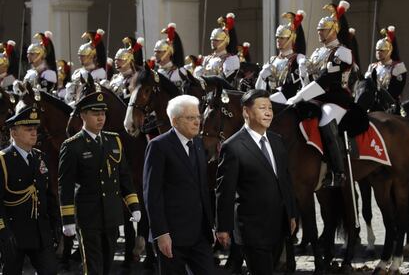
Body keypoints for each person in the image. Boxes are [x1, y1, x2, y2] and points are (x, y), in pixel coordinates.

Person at [58, 92, 141, 275]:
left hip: (111, 213)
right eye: (95, 114)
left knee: (107, 264)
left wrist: (133, 205)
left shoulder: (114, 140)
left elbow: (124, 176)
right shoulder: (72, 146)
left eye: (103, 113)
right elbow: (66, 185)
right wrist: (68, 220)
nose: (100, 118)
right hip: (88, 217)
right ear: (83, 115)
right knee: (93, 266)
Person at [215, 89, 296, 275]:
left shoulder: (277, 141)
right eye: (262, 108)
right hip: (251, 229)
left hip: (278, 227)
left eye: (270, 108)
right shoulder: (232, 147)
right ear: (246, 112)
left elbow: (285, 180)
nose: (268, 112)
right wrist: (223, 227)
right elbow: (224, 190)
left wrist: (291, 213)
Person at [143, 95, 215, 275]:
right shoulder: (158, 146)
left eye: (198, 117)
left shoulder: (198, 143)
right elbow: (152, 194)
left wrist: (209, 225)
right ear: (174, 121)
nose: (197, 122)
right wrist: (161, 234)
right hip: (171, 237)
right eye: (190, 118)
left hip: (200, 234)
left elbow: (202, 188)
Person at [286, 0, 353, 187]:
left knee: (325, 121)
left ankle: (338, 171)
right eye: (318, 29)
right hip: (316, 98)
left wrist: (299, 96)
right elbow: (311, 81)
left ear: (334, 29)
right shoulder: (317, 53)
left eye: (323, 29)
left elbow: (324, 81)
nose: (319, 32)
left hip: (337, 99)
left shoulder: (343, 52)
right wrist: (302, 75)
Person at [0, 106, 59, 274]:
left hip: (40, 232)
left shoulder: (40, 157)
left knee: (50, 271)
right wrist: (3, 231)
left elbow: (48, 195)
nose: (34, 133)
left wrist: (55, 222)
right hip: (14, 232)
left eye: (35, 129)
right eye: (28, 129)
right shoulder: (3, 160)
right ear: (14, 133)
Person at [256, 10, 307, 100]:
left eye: (282, 38)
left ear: (291, 39)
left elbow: (291, 90)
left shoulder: (297, 58)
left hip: (290, 102)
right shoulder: (272, 59)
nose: (278, 40)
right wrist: (262, 76)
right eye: (277, 37)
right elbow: (258, 89)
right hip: (271, 100)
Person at [364, 25, 406, 113]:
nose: (379, 53)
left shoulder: (397, 67)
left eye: (382, 50)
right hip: (373, 106)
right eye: (377, 50)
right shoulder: (372, 67)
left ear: (389, 50)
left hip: (391, 106)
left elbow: (396, 90)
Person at [194, 13, 240, 84]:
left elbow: (224, 82)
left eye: (216, 40)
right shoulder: (207, 59)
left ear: (225, 41)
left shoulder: (231, 59)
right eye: (212, 40)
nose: (212, 42)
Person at [65, 29, 107, 105]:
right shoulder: (77, 72)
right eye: (79, 55)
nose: (80, 58)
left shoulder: (100, 73)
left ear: (92, 55)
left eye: (83, 56)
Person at [110, 36, 144, 104]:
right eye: (115, 60)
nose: (116, 62)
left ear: (130, 61)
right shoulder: (115, 77)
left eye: (120, 60)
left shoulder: (135, 78)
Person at [153, 23, 186, 88]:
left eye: (159, 52)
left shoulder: (180, 72)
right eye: (155, 52)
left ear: (168, 53)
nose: (155, 54)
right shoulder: (154, 73)